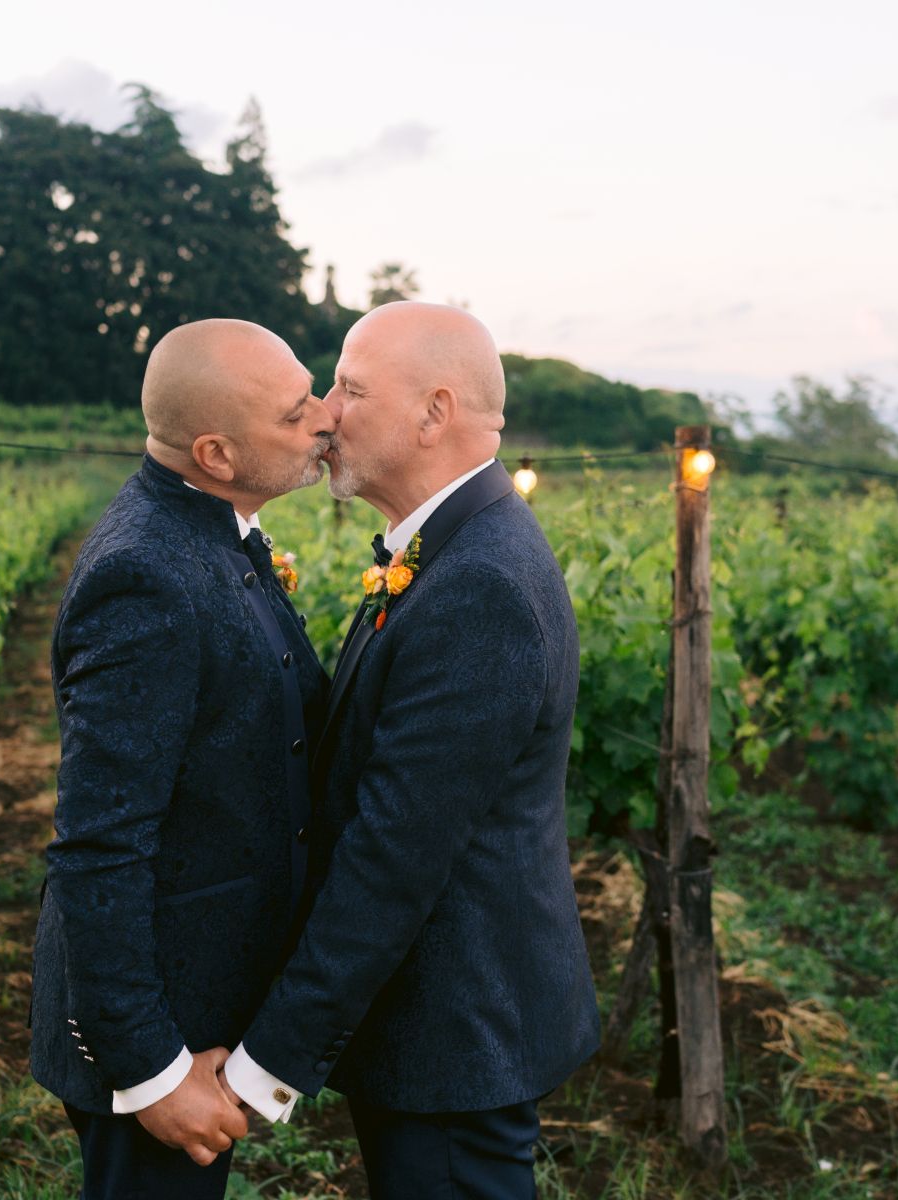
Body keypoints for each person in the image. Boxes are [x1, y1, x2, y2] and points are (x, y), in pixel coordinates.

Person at [219, 302, 601, 1200]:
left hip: (456, 1033)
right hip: (439, 1025)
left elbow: (395, 853)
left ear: (434, 412)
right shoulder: (448, 548)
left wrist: (265, 1064)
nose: (327, 410)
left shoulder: (480, 586)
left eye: (351, 387)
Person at [29, 319, 334, 1198]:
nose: (324, 418)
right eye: (294, 413)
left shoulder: (210, 528)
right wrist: (152, 1074)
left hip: (198, 1016)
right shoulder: (149, 577)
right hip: (157, 1042)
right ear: (216, 452)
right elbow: (99, 843)